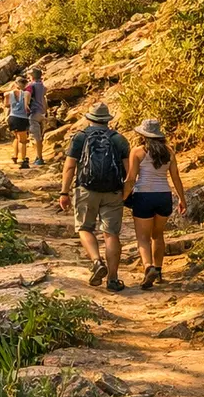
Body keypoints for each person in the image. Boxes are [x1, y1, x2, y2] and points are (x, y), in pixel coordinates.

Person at [58, 102, 130, 292]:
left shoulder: (80, 138)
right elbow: (129, 171)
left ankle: (97, 262)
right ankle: (113, 280)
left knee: (84, 228)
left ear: (89, 118)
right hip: (113, 192)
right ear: (107, 120)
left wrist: (64, 192)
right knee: (111, 234)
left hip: (86, 190)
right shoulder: (119, 140)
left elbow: (69, 167)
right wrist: (126, 192)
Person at [124, 119, 188, 289]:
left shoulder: (138, 152)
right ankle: (158, 271)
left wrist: (123, 197)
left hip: (144, 196)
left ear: (143, 135)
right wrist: (182, 199)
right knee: (158, 235)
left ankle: (148, 267)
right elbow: (175, 177)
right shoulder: (169, 152)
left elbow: (131, 179)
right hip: (164, 196)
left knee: (143, 237)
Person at [4, 76, 33, 171]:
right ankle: (22, 159)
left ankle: (15, 155)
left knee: (16, 137)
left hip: (12, 117)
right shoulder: (26, 93)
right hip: (22, 118)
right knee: (23, 140)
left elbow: (6, 105)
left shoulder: (9, 94)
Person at [25, 68, 48, 166]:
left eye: (29, 76)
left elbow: (27, 94)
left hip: (34, 113)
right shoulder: (42, 86)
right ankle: (38, 156)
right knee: (40, 137)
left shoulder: (31, 86)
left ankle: (39, 158)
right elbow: (44, 98)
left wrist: (26, 104)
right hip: (42, 112)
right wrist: (45, 111)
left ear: (32, 76)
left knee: (36, 138)